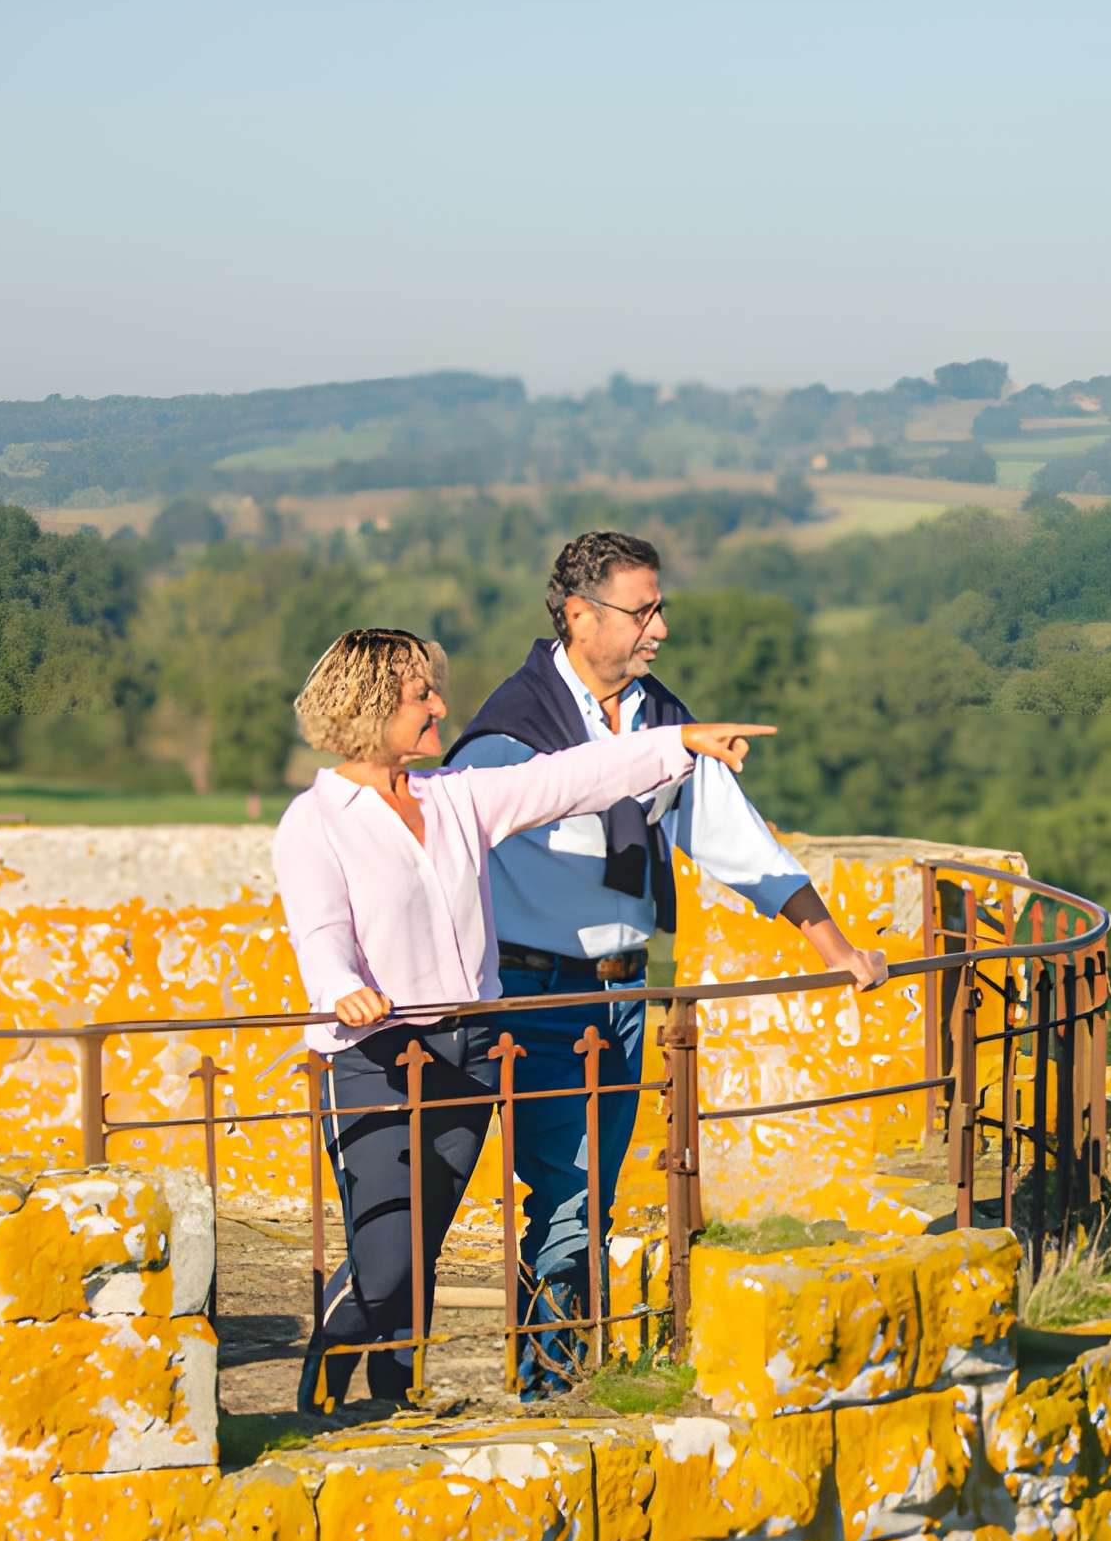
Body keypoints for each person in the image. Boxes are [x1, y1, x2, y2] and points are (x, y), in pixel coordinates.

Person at [270, 626, 773, 1412]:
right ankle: (326, 1373)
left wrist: (681, 741)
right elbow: (321, 933)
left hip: (465, 1047)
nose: (441, 707)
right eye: (420, 697)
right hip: (374, 1054)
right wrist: (341, 988)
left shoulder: (454, 799)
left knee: (422, 1242)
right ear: (370, 709)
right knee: (389, 1257)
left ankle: (394, 1395)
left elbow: (574, 778)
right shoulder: (316, 820)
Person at [445, 531, 888, 1394]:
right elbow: (452, 848)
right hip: (537, 990)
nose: (660, 629)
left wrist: (832, 946)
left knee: (588, 1201)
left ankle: (557, 1375)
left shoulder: (660, 714)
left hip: (624, 990)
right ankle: (553, 1388)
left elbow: (734, 837)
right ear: (579, 615)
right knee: (567, 1201)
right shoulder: (510, 731)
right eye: (642, 610)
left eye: (660, 607)